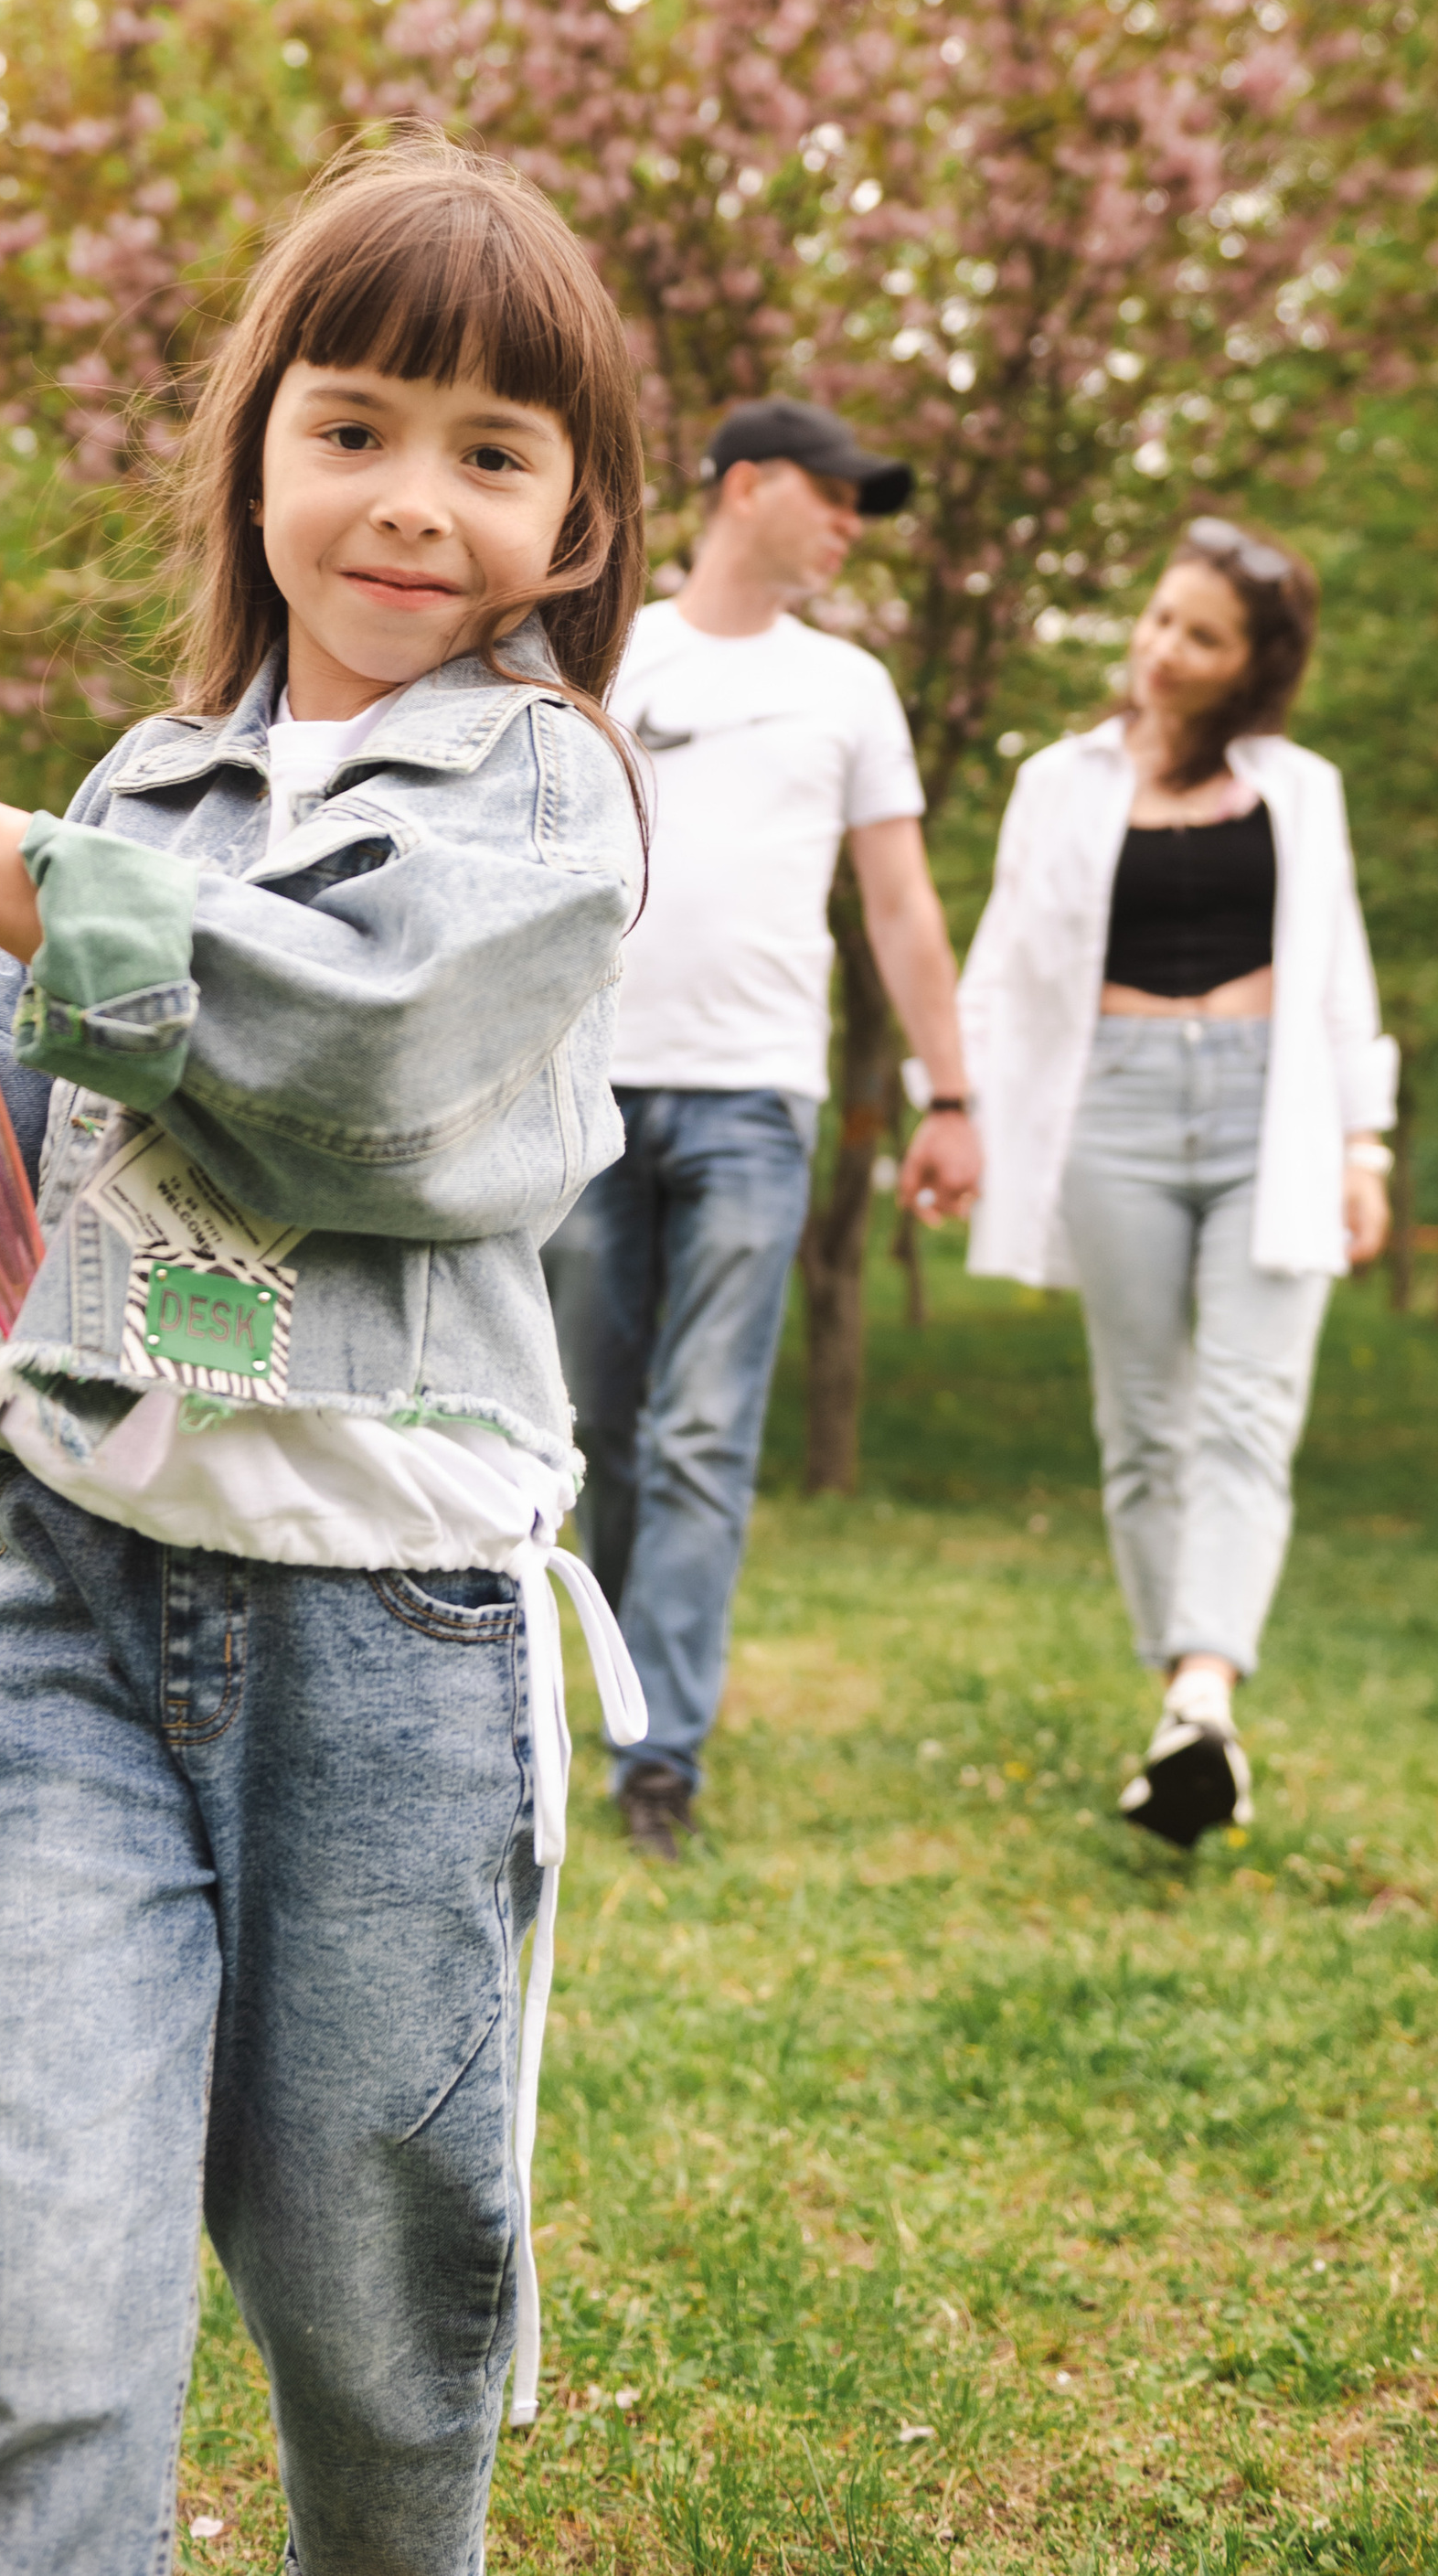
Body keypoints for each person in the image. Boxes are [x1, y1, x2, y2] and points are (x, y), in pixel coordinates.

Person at [0, 137, 652, 2572]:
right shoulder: (147, 785)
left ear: (579, 523)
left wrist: (6, 872)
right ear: (255, 452)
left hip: (390, 1650)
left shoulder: (553, 803)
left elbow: (376, 1073)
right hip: (77, 1603)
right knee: (30, 2311)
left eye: (490, 449)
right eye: (353, 424)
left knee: (375, 2315)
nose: (411, 501)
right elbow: (13, 1164)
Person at [545, 395, 982, 1861]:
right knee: (595, 1422)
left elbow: (901, 903)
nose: (854, 522)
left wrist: (953, 1093)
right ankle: (598, 1690)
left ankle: (660, 1752)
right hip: (589, 1085)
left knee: (705, 1427)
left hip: (756, 1097)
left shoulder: (852, 687)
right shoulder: (605, 650)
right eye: (837, 493)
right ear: (745, 487)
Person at [954, 518, 1394, 1849]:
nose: (1163, 652)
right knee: (1144, 1420)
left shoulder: (1301, 788)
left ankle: (1202, 1695)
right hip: (1119, 1110)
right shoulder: (1060, 781)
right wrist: (956, 1114)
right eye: (1159, 620)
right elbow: (1009, 970)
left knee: (1248, 1413)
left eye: (1201, 637)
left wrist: (1364, 1141)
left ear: (1253, 665)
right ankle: (1187, 1712)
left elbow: (1338, 970)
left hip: (1275, 1106)